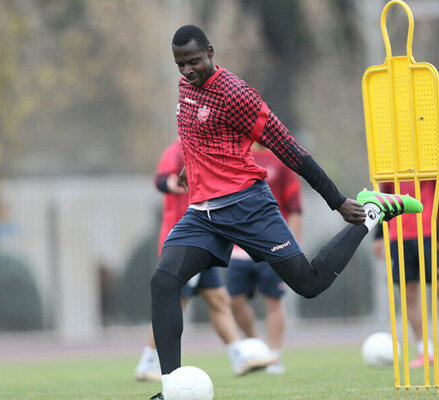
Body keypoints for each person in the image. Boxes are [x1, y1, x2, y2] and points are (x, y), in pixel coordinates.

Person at [148, 25, 423, 400]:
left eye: (194, 61)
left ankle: (372, 211)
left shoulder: (237, 95)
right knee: (163, 282)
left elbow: (291, 149)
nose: (187, 71)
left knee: (309, 285)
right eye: (180, 64)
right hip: (203, 214)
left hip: (248, 206)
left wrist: (337, 200)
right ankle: (171, 390)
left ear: (211, 51)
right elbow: (196, 134)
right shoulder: (185, 88)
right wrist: (191, 168)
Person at [135, 139, 276, 382]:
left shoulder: (211, 148)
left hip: (205, 238)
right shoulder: (177, 149)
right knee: (174, 301)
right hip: (184, 240)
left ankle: (238, 358)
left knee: (218, 298)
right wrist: (179, 183)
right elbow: (161, 180)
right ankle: (147, 362)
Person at [372, 141, 439, 368]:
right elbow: (384, 195)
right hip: (399, 235)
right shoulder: (391, 151)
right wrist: (379, 234)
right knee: (409, 294)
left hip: (430, 233)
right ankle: (424, 350)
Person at [227, 142, 302, 375]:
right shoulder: (236, 156)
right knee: (234, 301)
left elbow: (295, 206)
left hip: (274, 245)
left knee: (273, 301)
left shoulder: (281, 160)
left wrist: (293, 247)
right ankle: (257, 349)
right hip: (240, 247)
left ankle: (274, 356)